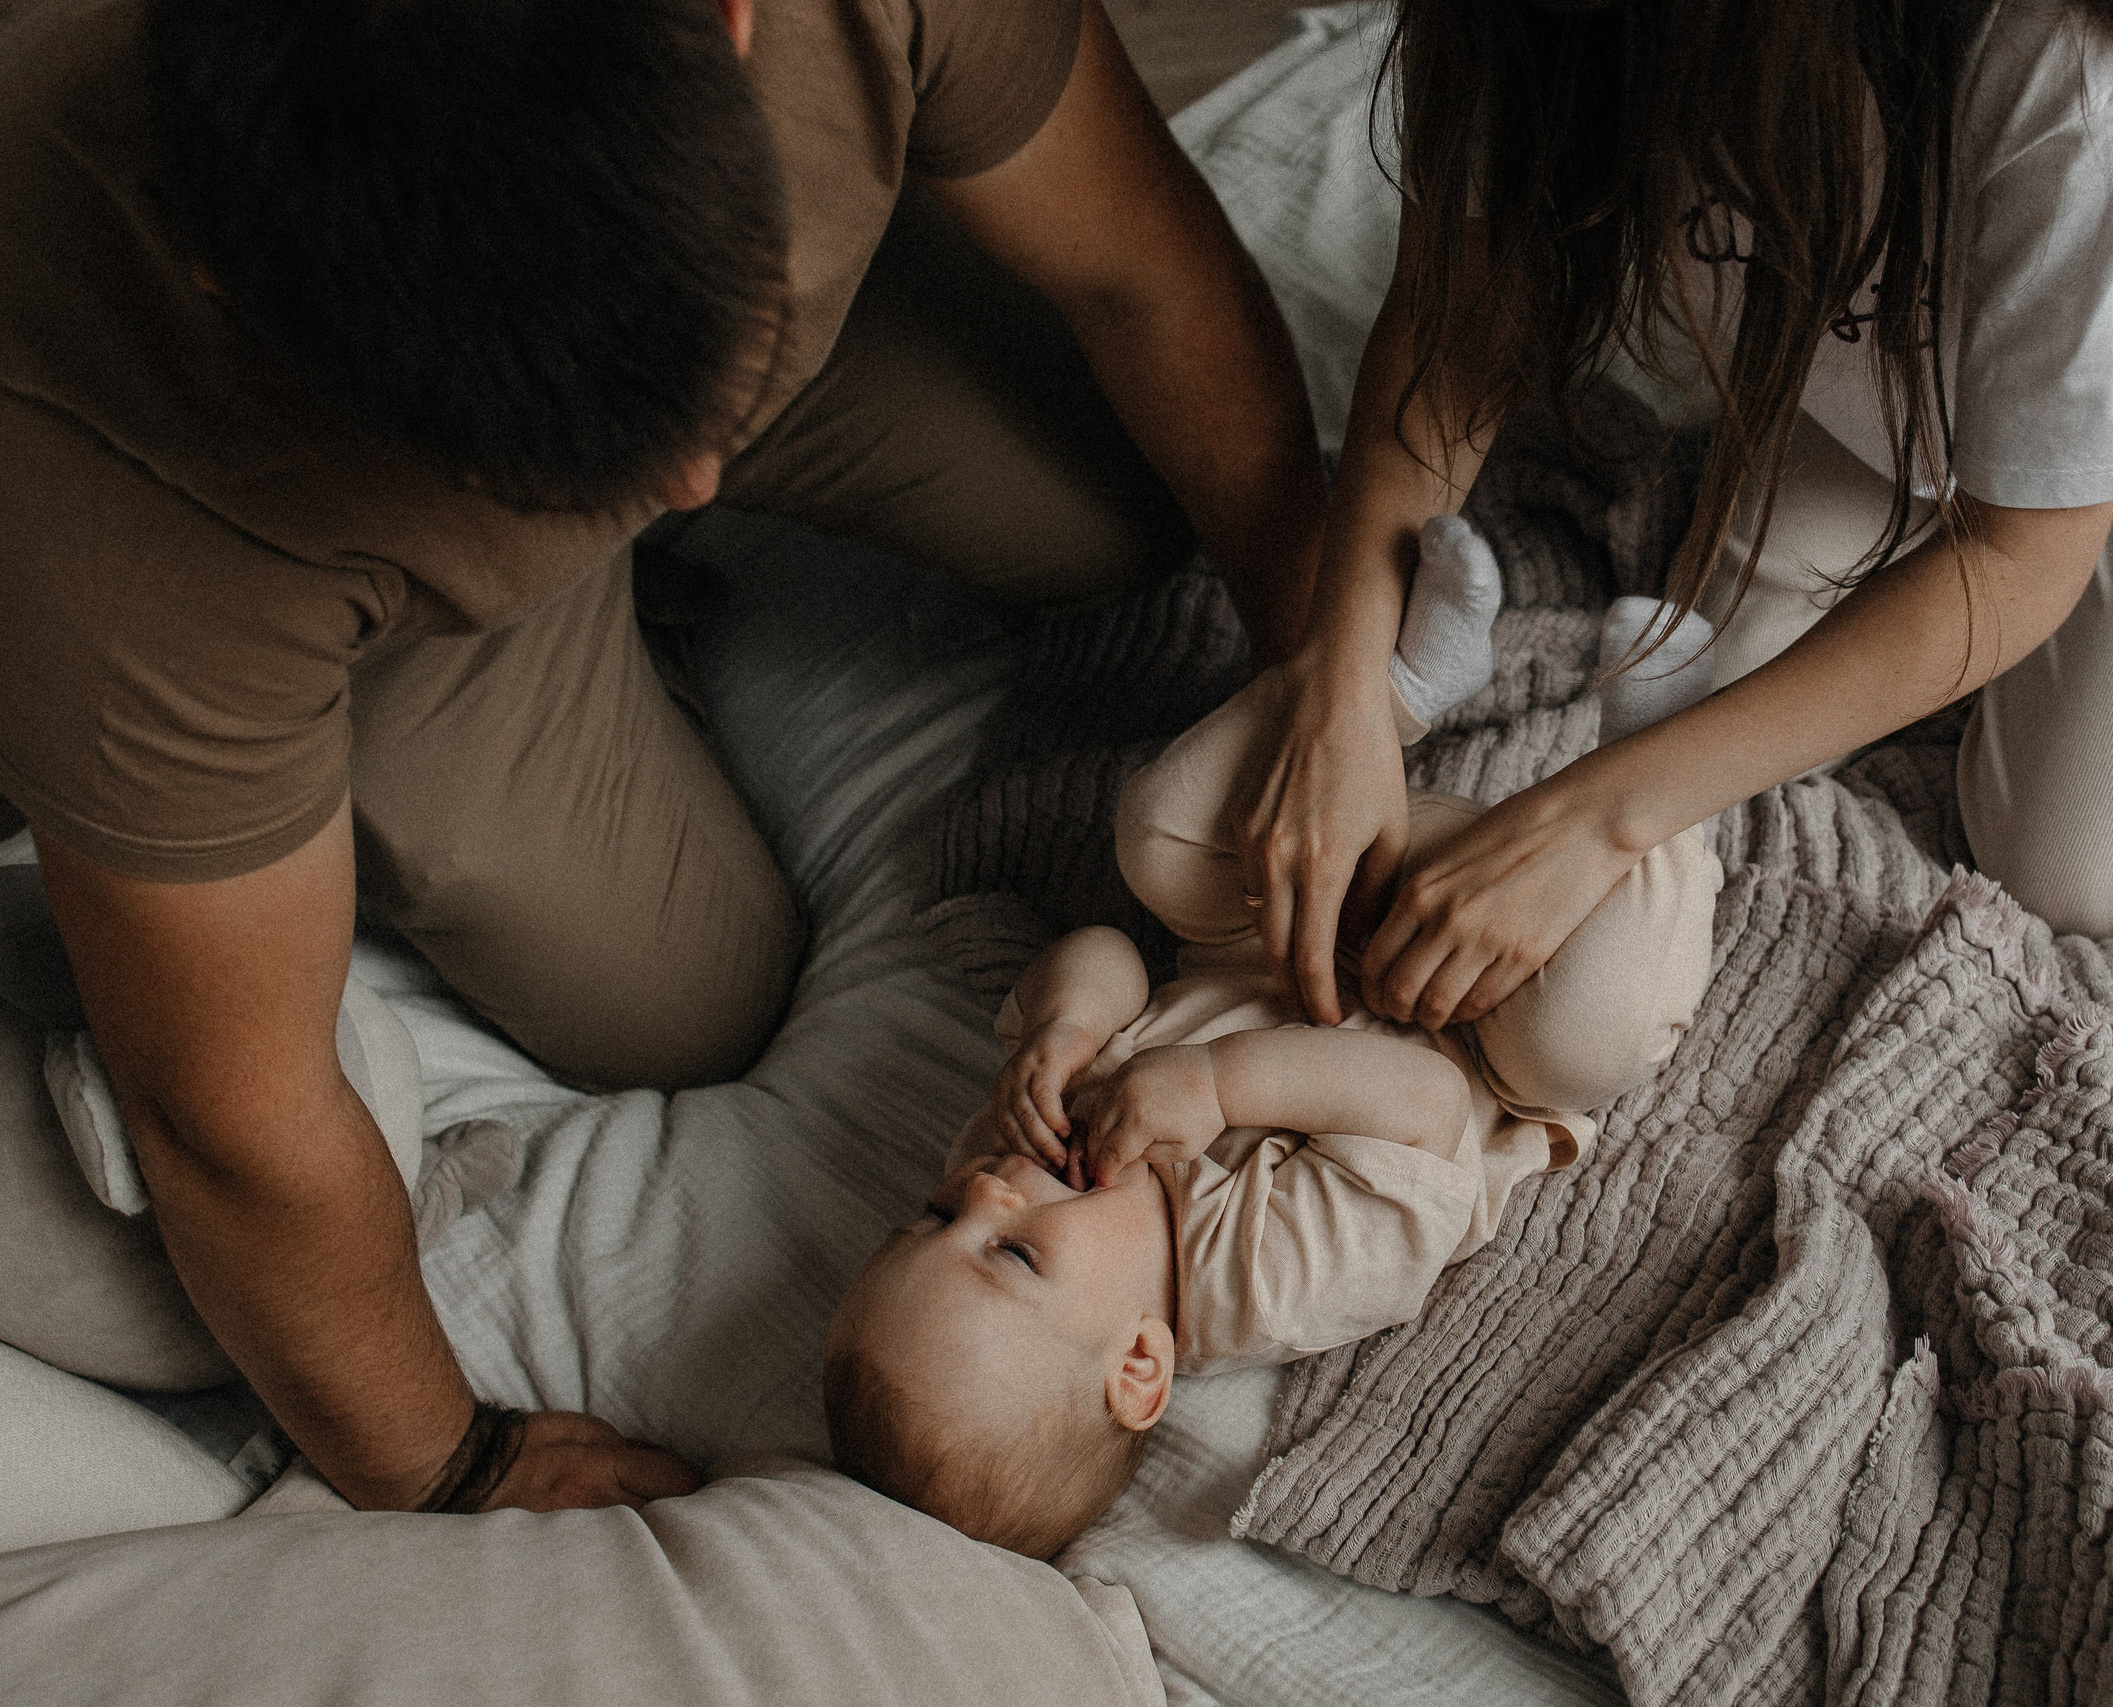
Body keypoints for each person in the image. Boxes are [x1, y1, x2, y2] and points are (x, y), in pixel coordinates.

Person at [0, 0, 1326, 1514]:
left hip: (632, 348)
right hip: (384, 601)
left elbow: (1143, 276)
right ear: (223, 277)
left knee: (1139, 514)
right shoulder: (92, 482)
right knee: (691, 1003)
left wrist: (1347, 685)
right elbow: (231, 1119)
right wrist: (451, 1454)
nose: (692, 477)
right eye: (580, 465)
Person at [1233, 0, 2113, 1040]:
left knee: (2077, 866)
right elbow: (1463, 308)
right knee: (1722, 651)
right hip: (1946, 286)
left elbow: (2016, 562)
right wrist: (1340, 688)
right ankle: (2049, 417)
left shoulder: (2071, 72)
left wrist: (1590, 817)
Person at [823, 528, 1719, 1558]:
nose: (985, 1193)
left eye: (932, 1213)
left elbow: (1110, 951)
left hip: (1297, 905)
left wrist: (1067, 1022)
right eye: (1014, 1254)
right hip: (1489, 1015)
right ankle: (1654, 776)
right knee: (1589, 1035)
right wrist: (1215, 1084)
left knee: (1157, 840)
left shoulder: (1019, 1146)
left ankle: (1397, 686)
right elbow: (1423, 1102)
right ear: (1139, 1366)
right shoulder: (1266, 1281)